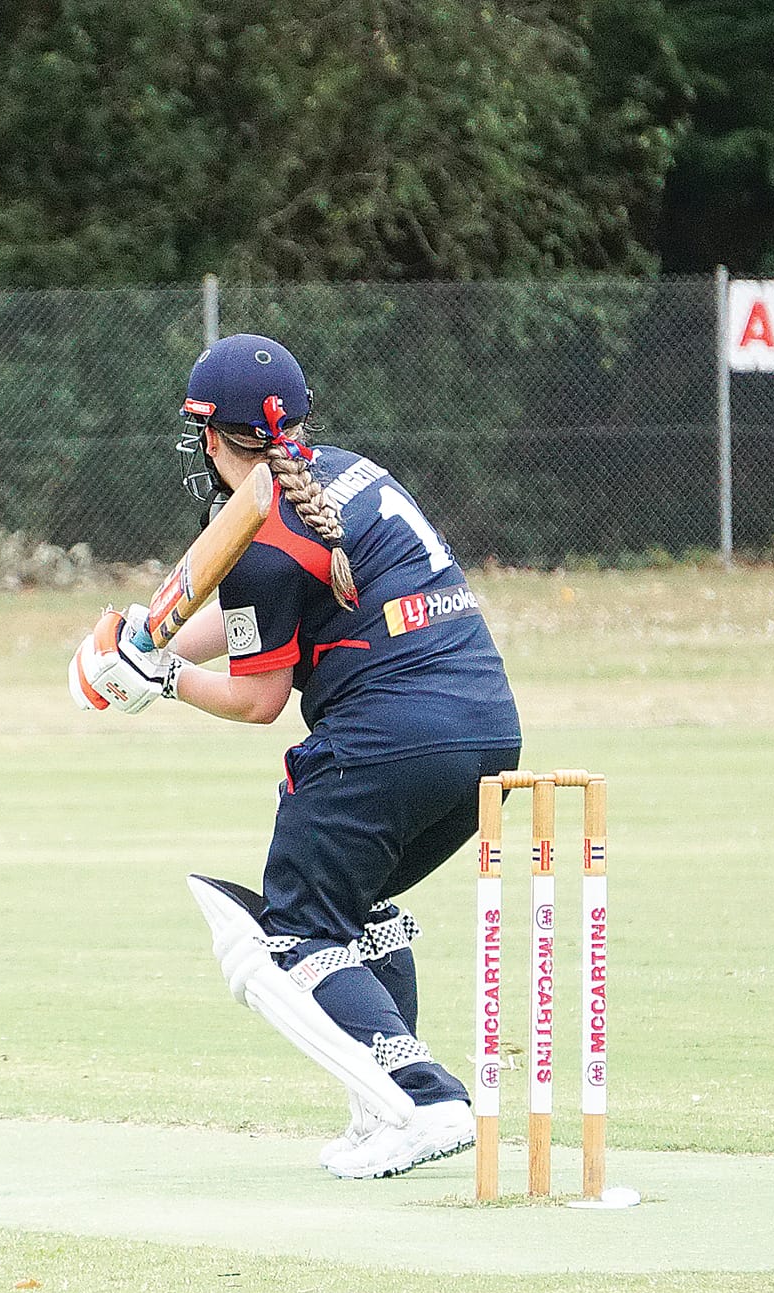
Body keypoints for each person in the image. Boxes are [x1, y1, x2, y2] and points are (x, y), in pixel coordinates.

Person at [70, 333, 523, 1180]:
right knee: (354, 904)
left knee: (294, 928)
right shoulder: (344, 475)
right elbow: (257, 627)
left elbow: (258, 697)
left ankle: (424, 1098)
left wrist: (161, 677)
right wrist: (148, 637)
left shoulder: (260, 533)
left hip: (388, 738)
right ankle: (380, 1108)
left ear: (210, 435)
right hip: (484, 730)